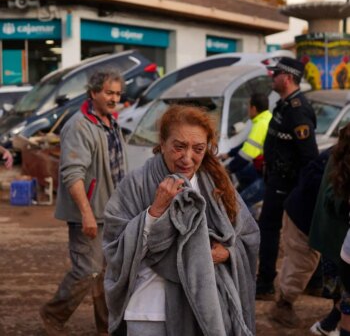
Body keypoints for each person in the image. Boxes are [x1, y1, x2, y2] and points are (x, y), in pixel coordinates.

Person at [103, 105, 260, 336]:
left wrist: (227, 253)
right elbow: (113, 246)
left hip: (207, 312)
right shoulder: (135, 184)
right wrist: (155, 211)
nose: (188, 158)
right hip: (148, 310)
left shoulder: (217, 186)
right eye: (179, 147)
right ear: (163, 144)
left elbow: (247, 236)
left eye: (198, 149)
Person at [40, 69, 126, 336]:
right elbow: (72, 173)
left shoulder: (111, 123)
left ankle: (106, 327)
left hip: (110, 212)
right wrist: (86, 213)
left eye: (118, 93)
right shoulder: (79, 126)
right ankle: (53, 315)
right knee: (87, 271)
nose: (114, 98)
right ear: (93, 93)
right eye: (108, 93)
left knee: (105, 274)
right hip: (88, 214)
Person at [256, 56, 319, 300]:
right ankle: (315, 282)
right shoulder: (283, 105)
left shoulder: (298, 110)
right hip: (278, 179)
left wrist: (302, 189)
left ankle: (265, 284)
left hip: (287, 182)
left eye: (276, 74)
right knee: (301, 230)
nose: (272, 77)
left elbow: (309, 156)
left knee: (272, 229)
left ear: (288, 77)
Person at [270, 148, 331, 327]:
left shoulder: (337, 153)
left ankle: (313, 286)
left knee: (310, 260)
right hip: (303, 217)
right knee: (301, 262)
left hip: (310, 214)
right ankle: (283, 303)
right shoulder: (338, 160)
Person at [309, 123, 350, 336]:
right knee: (346, 300)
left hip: (334, 243)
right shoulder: (342, 161)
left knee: (345, 298)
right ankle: (329, 326)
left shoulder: (338, 153)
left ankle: (327, 325)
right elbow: (333, 202)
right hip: (338, 244)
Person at [219, 93, 272, 213]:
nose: (248, 110)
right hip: (263, 170)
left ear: (253, 108)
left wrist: (227, 169)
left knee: (241, 203)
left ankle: (248, 229)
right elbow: (247, 144)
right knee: (242, 173)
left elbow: (246, 156)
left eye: (248, 106)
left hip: (267, 176)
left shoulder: (260, 125)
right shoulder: (266, 118)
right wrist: (229, 154)